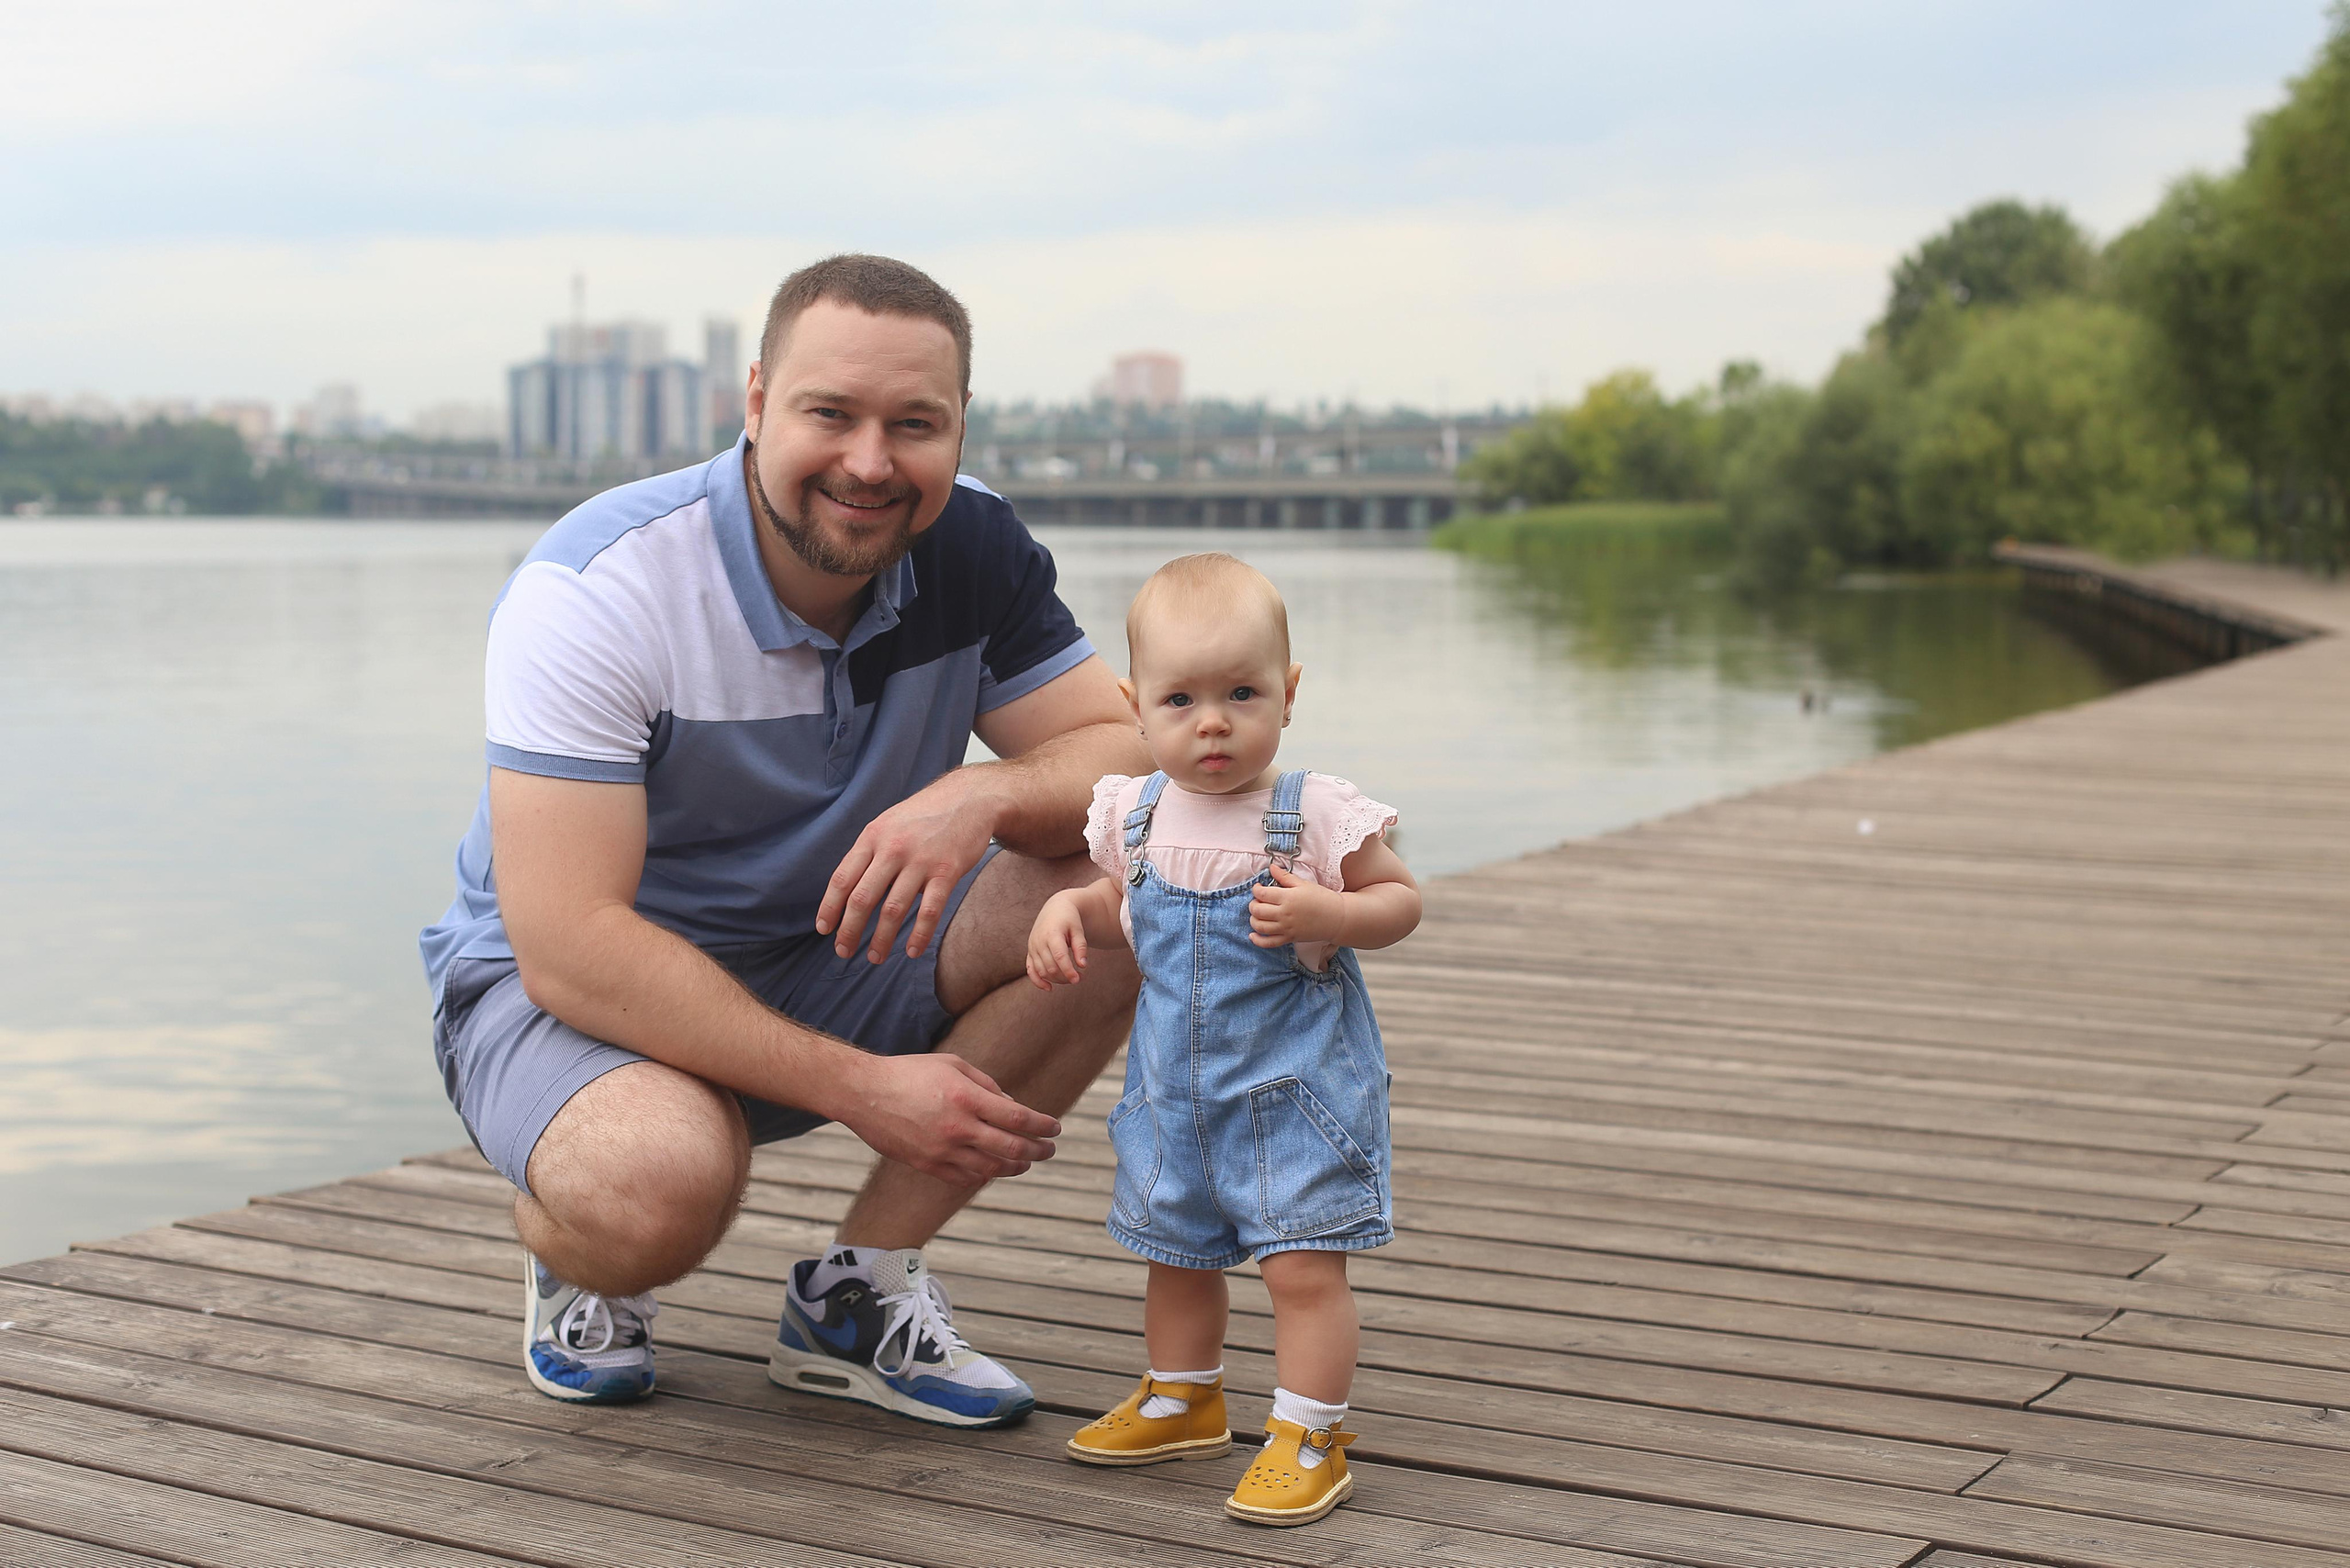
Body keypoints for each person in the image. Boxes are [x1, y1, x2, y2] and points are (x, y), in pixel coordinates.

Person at [420, 253, 1147, 1428]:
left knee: (1122, 886)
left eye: (914, 423)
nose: (870, 463)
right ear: (755, 402)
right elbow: (569, 944)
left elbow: (1129, 763)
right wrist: (865, 1089)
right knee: (656, 1193)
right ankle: (575, 1249)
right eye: (830, 414)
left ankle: (856, 1293)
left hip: (829, 942)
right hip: (575, 992)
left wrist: (984, 796)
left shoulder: (973, 548)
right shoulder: (599, 588)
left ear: (962, 425)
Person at [1023, 553, 1422, 1526]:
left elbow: (1400, 900)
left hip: (1294, 1095)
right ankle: (1183, 1394)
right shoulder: (1137, 811)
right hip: (1175, 1094)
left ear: (1286, 694)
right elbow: (1130, 903)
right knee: (1178, 1253)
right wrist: (1071, 908)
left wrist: (1332, 909)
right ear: (1136, 705)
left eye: (1242, 693)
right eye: (1181, 698)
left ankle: (1308, 1430)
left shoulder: (1313, 814)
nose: (1212, 721)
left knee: (1301, 1265)